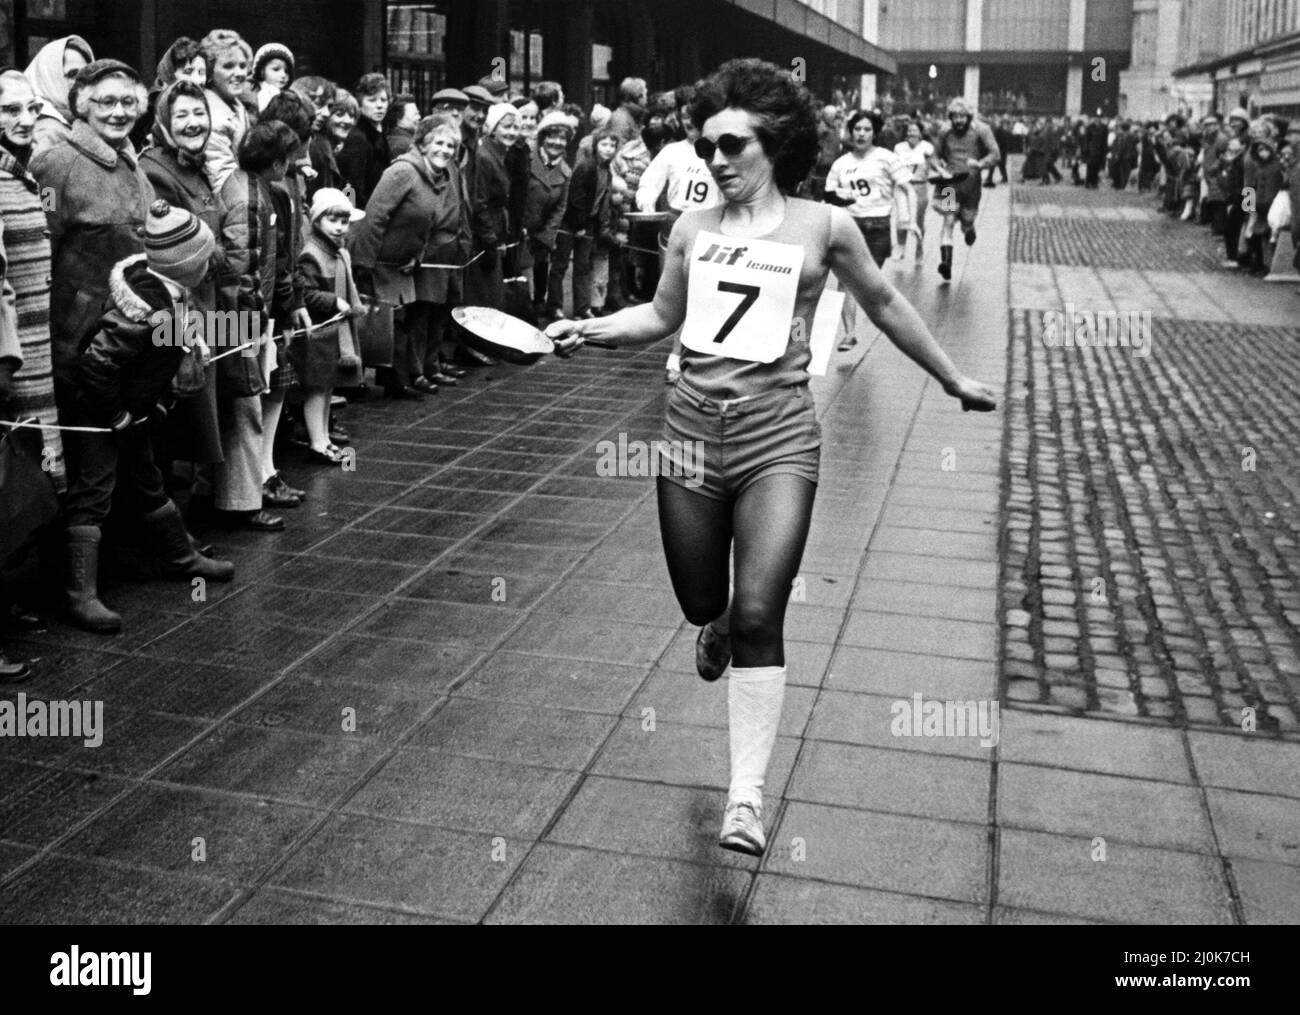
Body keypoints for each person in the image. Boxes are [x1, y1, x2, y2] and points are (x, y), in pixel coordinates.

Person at [545, 59, 997, 856]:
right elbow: (658, 316)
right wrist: (586, 328)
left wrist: (952, 376)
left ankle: (745, 798)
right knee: (700, 602)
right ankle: (712, 620)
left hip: (778, 436)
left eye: (733, 145)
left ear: (774, 146)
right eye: (708, 145)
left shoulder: (824, 228)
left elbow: (886, 303)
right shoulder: (692, 230)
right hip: (688, 432)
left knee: (761, 610)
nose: (716, 161)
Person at [60, 200, 235, 634]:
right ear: (185, 265)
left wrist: (146, 404)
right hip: (100, 416)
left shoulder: (169, 292)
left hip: (131, 412)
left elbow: (153, 359)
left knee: (148, 480)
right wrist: (116, 413)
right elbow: (97, 365)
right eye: (203, 258)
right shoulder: (140, 309)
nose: (209, 265)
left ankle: (182, 558)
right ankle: (79, 595)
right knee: (94, 494)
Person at [31, 59, 154, 417]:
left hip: (126, 340)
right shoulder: (56, 166)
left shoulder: (134, 166)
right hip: (78, 346)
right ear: (84, 106)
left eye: (128, 102)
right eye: (107, 102)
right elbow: (40, 252)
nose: (119, 112)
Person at [212, 120, 301, 531]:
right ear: (278, 163)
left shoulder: (249, 189)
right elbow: (241, 266)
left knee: (241, 407)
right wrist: (255, 322)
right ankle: (242, 502)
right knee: (244, 407)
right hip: (240, 318)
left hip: (244, 314)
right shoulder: (251, 199)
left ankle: (235, 494)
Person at [140, 80, 225, 479]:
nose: (194, 123)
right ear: (163, 122)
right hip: (178, 315)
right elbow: (176, 253)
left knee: (203, 410)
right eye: (182, 115)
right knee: (178, 416)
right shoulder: (157, 171)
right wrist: (221, 253)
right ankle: (175, 528)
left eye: (199, 113)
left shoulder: (197, 165)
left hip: (209, 307)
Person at [352, 112, 467, 397]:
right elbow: (374, 218)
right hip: (379, 261)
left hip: (403, 263)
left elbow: (429, 224)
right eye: (439, 143)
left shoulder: (437, 177)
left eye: (451, 146)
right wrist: (364, 266)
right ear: (423, 143)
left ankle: (396, 382)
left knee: (400, 324)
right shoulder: (403, 171)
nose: (445, 150)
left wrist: (418, 255)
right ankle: (364, 383)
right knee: (383, 323)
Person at [0, 70, 63, 489]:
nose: (25, 119)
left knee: (42, 469)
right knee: (23, 474)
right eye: (10, 110)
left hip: (40, 350)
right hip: (13, 356)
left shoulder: (26, 173)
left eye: (32, 108)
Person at [637, 102, 721, 381]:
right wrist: (647, 203)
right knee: (676, 294)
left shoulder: (718, 152)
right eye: (684, 116)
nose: (688, 121)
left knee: (703, 294)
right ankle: (677, 353)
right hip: (675, 226)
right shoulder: (671, 152)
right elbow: (650, 182)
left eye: (693, 116)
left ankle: (683, 354)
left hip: (710, 228)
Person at [294, 187, 365, 462]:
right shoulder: (312, 254)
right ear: (317, 221)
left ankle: (323, 437)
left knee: (327, 388)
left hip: (334, 332)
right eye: (332, 220)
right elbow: (307, 292)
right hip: (320, 334)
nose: (339, 228)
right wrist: (334, 301)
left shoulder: (338, 252)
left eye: (344, 222)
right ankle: (317, 441)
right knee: (317, 388)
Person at [933, 98, 999, 281]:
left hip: (971, 186)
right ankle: (946, 263)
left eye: (963, 117)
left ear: (969, 117)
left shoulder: (982, 130)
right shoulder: (945, 132)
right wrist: (938, 166)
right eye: (955, 117)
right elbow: (934, 155)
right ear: (950, 117)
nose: (959, 121)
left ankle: (969, 229)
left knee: (966, 221)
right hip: (950, 184)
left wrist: (980, 163)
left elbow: (995, 154)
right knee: (948, 220)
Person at [523, 112, 572, 318]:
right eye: (552, 136)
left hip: (541, 230)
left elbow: (560, 208)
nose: (556, 142)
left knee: (541, 265)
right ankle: (520, 306)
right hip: (521, 228)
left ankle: (538, 303)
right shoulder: (527, 157)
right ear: (543, 137)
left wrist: (547, 236)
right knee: (520, 272)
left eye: (562, 138)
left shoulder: (565, 172)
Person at [199, 29, 254, 192]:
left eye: (243, 66)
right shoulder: (210, 115)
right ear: (209, 70)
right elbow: (222, 180)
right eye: (228, 66)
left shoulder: (236, 105)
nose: (239, 73)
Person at [23, 35, 93, 155]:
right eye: (72, 74)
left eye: (87, 73)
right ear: (48, 78)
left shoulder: (74, 120)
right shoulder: (47, 133)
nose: (82, 81)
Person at [337, 73, 391, 208]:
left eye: (383, 100)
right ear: (360, 104)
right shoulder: (358, 138)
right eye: (372, 100)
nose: (380, 106)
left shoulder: (379, 132)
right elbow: (351, 186)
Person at [894, 119, 937, 260]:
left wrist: (942, 171)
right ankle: (901, 247)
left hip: (920, 186)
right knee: (902, 218)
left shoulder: (927, 147)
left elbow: (934, 163)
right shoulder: (899, 147)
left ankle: (919, 248)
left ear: (920, 133)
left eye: (915, 131)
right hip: (903, 186)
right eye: (909, 131)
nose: (912, 133)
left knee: (918, 221)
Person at [252, 43, 294, 112]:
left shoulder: (291, 98)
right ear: (262, 72)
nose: (283, 75)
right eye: (276, 69)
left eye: (286, 71)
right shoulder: (253, 96)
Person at [386, 93, 420, 157]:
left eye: (418, 113)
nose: (419, 117)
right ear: (399, 118)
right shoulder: (404, 146)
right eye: (415, 114)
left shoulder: (392, 138)